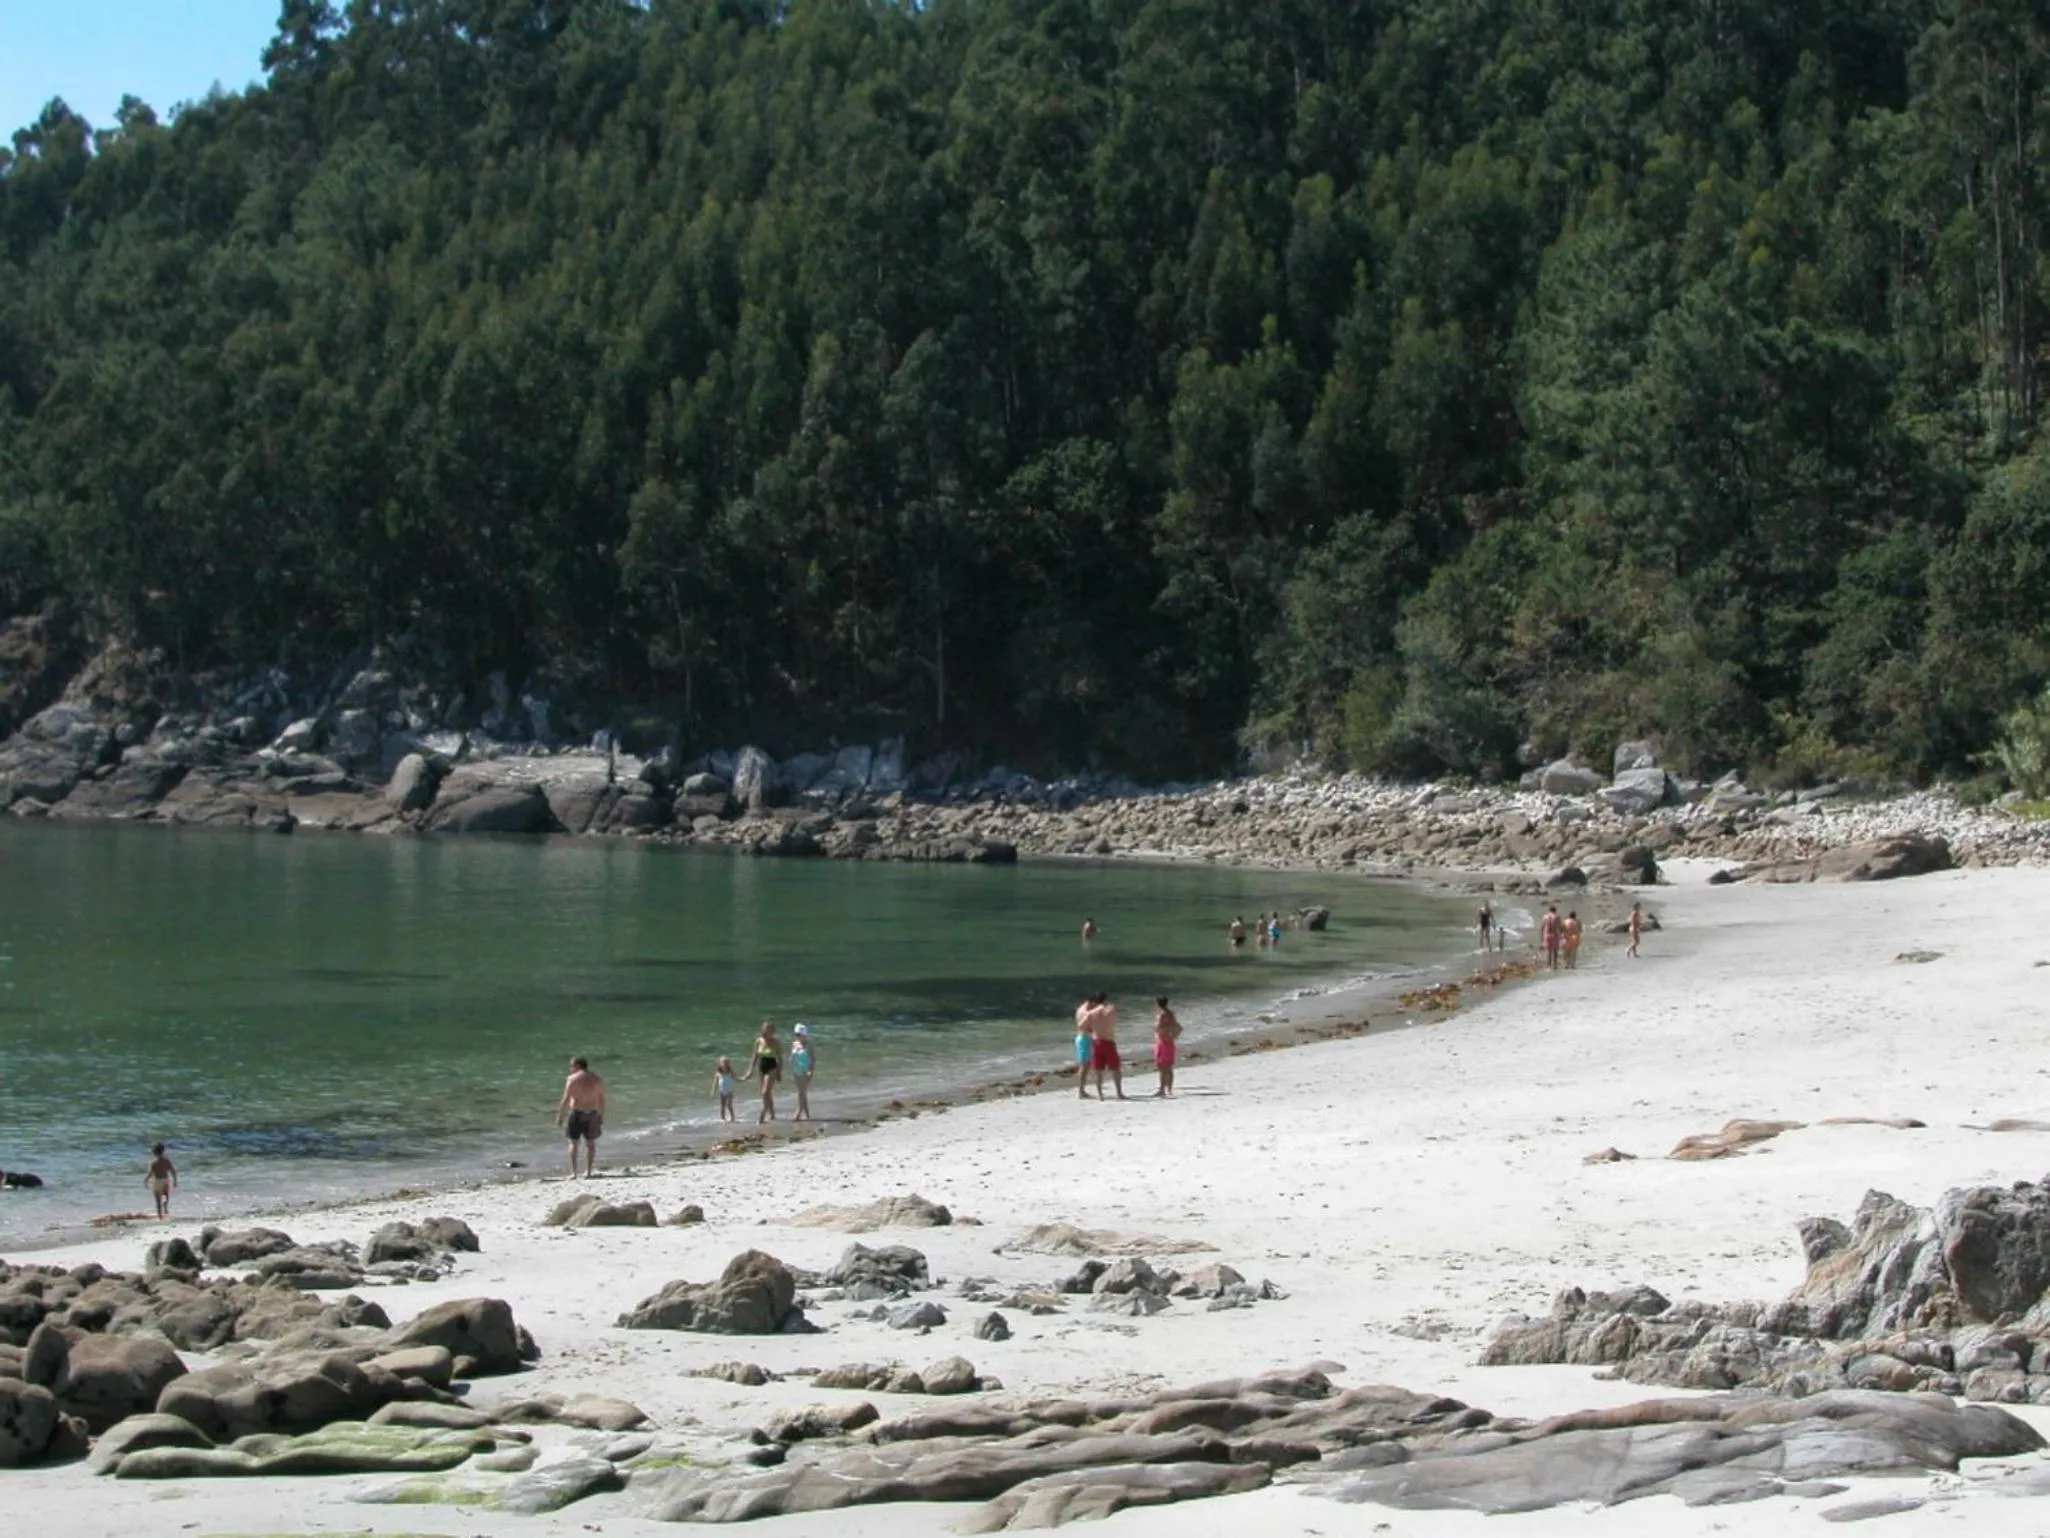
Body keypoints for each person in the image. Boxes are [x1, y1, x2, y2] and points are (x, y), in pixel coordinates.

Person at [555, 1057, 606, 1178]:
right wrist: (601, 1115)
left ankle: (574, 1173)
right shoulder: (597, 1079)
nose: (570, 1069)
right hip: (593, 1113)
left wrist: (560, 1116)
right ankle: (588, 1172)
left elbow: (566, 1099)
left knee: (573, 1143)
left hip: (577, 1112)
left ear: (577, 1066)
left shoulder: (572, 1079)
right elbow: (602, 1100)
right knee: (591, 1144)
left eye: (571, 1066)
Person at [1084, 994, 1125, 1100]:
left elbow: (1082, 1026)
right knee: (1115, 1069)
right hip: (1109, 1041)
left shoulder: (1091, 1013)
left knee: (1098, 1070)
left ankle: (1100, 1094)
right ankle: (1119, 1093)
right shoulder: (1109, 1011)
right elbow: (1114, 1014)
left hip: (1097, 1041)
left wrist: (1092, 1031)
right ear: (1105, 1000)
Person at [744, 1021, 783, 1123]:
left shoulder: (775, 1042)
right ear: (763, 1030)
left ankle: (762, 1116)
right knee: (766, 1093)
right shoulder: (759, 1041)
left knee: (765, 1091)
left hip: (772, 1067)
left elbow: (779, 1058)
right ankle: (772, 1115)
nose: (769, 1032)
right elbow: (755, 1056)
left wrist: (779, 1072)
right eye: (767, 1030)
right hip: (762, 1067)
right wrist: (750, 1070)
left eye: (770, 1030)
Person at [1153, 997, 1183, 1098]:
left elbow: (1158, 1027)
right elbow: (1179, 1028)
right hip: (1169, 1041)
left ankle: (1162, 1089)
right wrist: (1174, 1036)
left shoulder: (1161, 1015)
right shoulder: (1171, 1014)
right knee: (1169, 1067)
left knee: (1162, 1066)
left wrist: (1155, 1028)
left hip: (1162, 1042)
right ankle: (1169, 1088)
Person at [791, 1023, 817, 1122]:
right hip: (796, 1070)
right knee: (802, 1093)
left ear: (804, 1035)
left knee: (801, 1093)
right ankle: (807, 1114)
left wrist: (811, 1071)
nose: (797, 1036)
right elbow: (792, 1057)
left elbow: (813, 1059)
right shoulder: (794, 1044)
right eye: (796, 1035)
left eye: (799, 1034)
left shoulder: (808, 1046)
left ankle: (798, 1112)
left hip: (805, 1071)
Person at [1073, 995, 1098, 1099]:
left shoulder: (1080, 1009)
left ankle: (1082, 1090)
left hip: (1082, 1038)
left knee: (1085, 1066)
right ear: (1091, 1002)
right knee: (1084, 1066)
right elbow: (1081, 1026)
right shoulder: (1086, 1011)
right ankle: (1081, 1091)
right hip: (1084, 1039)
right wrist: (1093, 1033)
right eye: (1095, 1003)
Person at [145, 1142, 178, 1220]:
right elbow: (173, 1171)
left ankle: (160, 1217)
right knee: (166, 1196)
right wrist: (175, 1180)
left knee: (158, 1200)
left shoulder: (153, 1162)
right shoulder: (167, 1161)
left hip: (157, 1181)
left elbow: (150, 1174)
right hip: (165, 1180)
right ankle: (165, 1207)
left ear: (153, 1152)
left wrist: (146, 1180)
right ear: (163, 1151)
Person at [713, 1056, 737, 1122]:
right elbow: (715, 1081)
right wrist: (713, 1090)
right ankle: (723, 1119)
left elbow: (736, 1078)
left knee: (729, 1105)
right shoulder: (718, 1072)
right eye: (724, 1062)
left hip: (729, 1091)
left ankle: (733, 1118)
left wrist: (743, 1078)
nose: (725, 1064)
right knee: (722, 1106)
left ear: (729, 1064)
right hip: (722, 1091)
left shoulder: (730, 1072)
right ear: (720, 1064)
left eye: (727, 1062)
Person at [1540, 906, 1561, 972]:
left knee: (1549, 952)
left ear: (1549, 910)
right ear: (1555, 911)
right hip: (1554, 935)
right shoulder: (1557, 917)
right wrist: (1561, 936)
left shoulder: (1545, 917)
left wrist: (1541, 938)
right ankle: (1555, 966)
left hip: (1547, 935)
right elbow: (1559, 927)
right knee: (1555, 951)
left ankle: (1548, 967)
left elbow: (1542, 928)